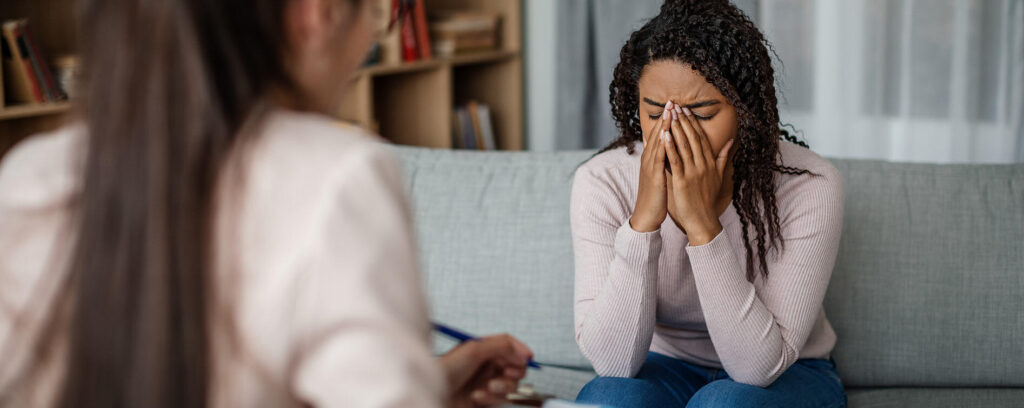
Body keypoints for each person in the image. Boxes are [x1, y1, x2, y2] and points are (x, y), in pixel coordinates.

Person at [0, 0, 531, 406]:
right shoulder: (338, 177)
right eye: (372, 12)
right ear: (314, 12)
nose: (366, 40)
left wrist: (426, 381)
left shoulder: (27, 178)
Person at [570, 0, 847, 406]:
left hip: (788, 374)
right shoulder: (602, 181)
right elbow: (613, 365)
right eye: (654, 113)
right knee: (607, 397)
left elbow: (757, 370)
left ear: (745, 111)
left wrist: (702, 228)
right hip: (664, 368)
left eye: (701, 113)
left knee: (724, 402)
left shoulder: (810, 185)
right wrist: (643, 223)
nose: (675, 131)